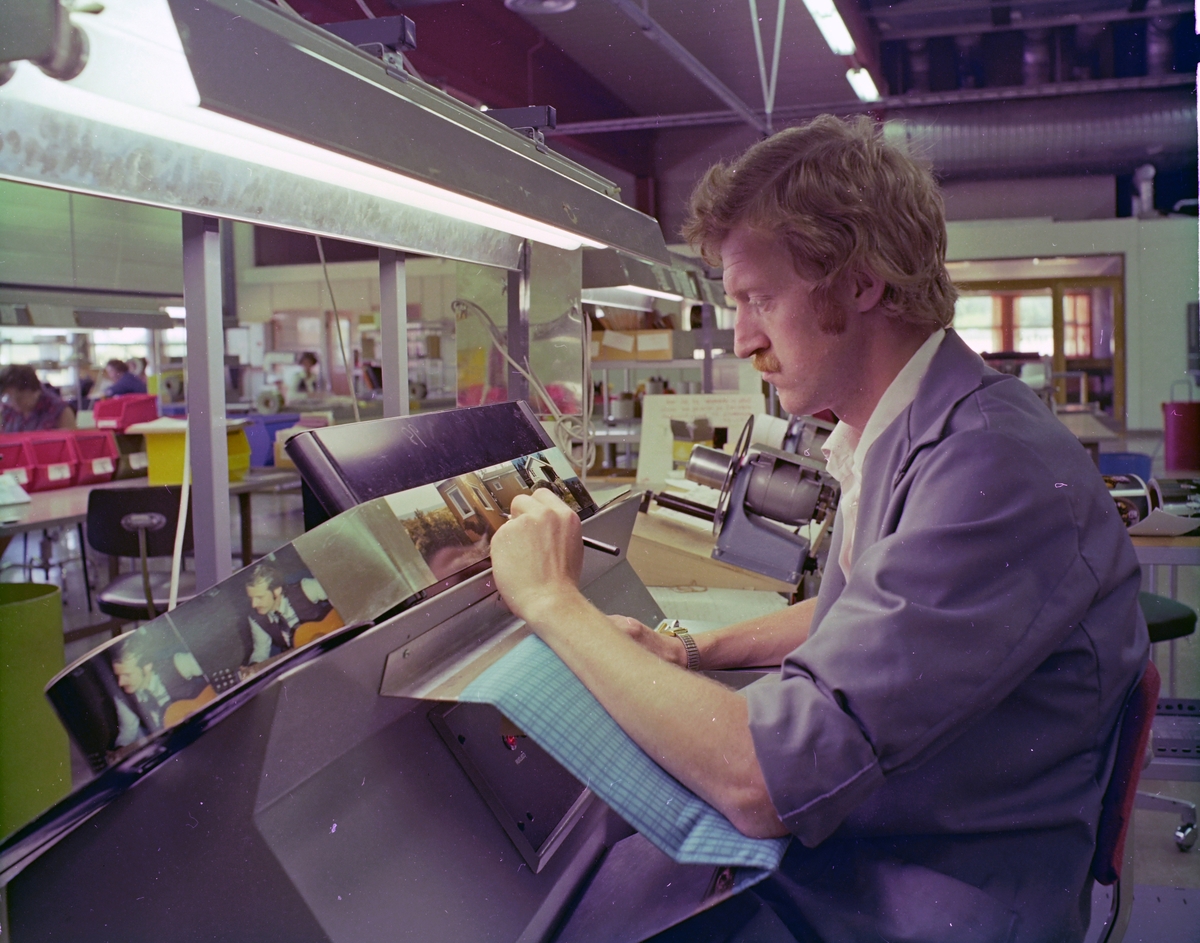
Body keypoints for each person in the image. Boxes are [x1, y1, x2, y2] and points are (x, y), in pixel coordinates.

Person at [488, 116, 1148, 943]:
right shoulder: (908, 433)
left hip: (945, 891)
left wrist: (554, 603)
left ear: (861, 280)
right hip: (907, 840)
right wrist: (693, 653)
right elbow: (871, 606)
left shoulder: (989, 469)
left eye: (760, 298)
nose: (743, 338)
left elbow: (764, 781)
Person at [241, 564, 335, 664]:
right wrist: (254, 667)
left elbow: (342, 591)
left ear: (277, 591)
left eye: (259, 597)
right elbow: (260, 651)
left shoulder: (305, 588)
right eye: (251, 598)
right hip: (304, 660)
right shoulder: (257, 619)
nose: (253, 604)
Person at [0, 364, 76, 431]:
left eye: (20, 398)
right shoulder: (8, 410)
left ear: (35, 391)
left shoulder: (59, 410)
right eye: (9, 398)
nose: (14, 403)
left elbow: (70, 445)